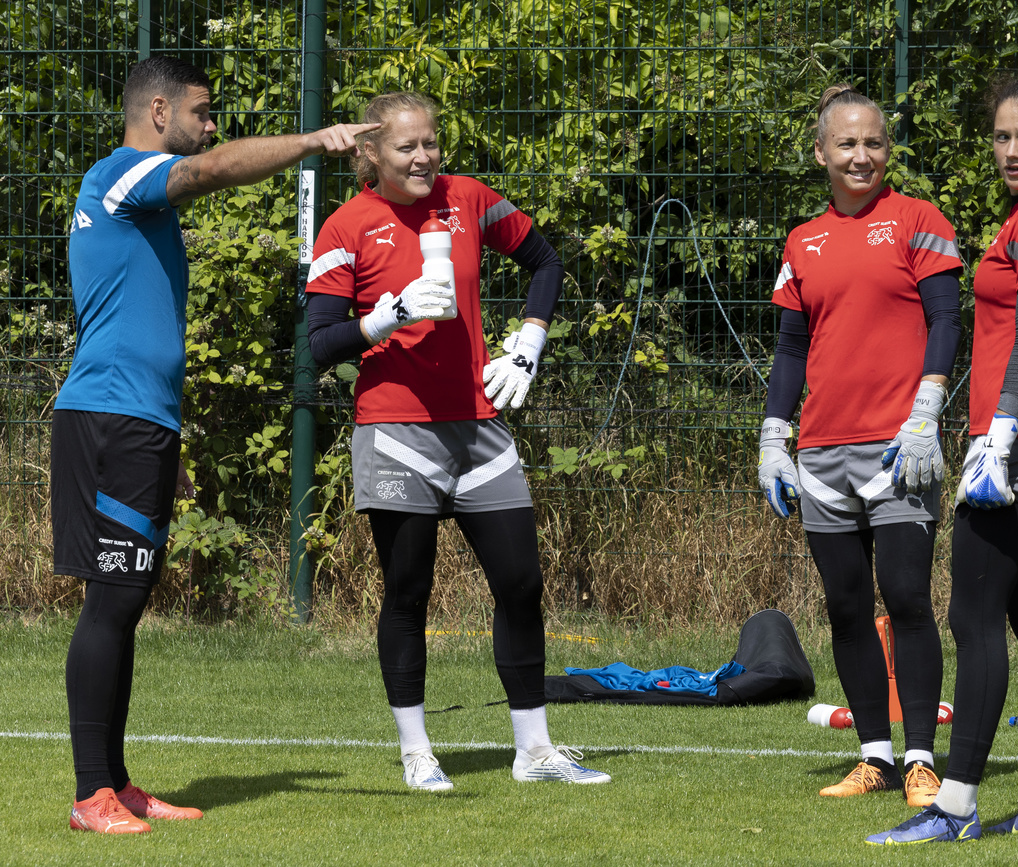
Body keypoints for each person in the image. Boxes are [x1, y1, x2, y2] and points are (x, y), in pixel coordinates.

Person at [56, 56, 376, 834]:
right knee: (112, 599)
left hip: (138, 423)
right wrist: (313, 141)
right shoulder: (122, 174)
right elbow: (210, 170)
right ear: (157, 111)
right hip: (109, 418)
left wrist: (170, 437)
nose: (210, 126)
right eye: (201, 112)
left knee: (126, 601)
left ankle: (117, 783)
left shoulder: (139, 201)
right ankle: (91, 794)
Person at [305, 91, 610, 793]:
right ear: (369, 154)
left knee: (521, 583)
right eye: (406, 146)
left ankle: (535, 751)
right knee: (408, 591)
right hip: (395, 432)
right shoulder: (346, 226)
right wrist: (388, 316)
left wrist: (528, 343)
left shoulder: (468, 199)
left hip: (479, 425)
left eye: (431, 142)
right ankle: (418, 752)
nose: (423, 158)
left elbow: (546, 262)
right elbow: (320, 343)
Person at [867, 72, 1018, 845]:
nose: (1011, 150)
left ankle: (955, 805)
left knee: (974, 615)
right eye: (1001, 136)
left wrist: (996, 437)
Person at [757, 83, 962, 807]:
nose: (861, 155)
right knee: (845, 608)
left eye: (873, 142)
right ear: (821, 153)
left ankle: (921, 760)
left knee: (906, 598)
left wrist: (927, 411)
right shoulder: (801, 241)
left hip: (899, 448)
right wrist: (774, 437)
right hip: (821, 454)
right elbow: (790, 350)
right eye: (846, 143)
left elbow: (947, 321)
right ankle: (874, 756)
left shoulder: (919, 220)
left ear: (888, 150)